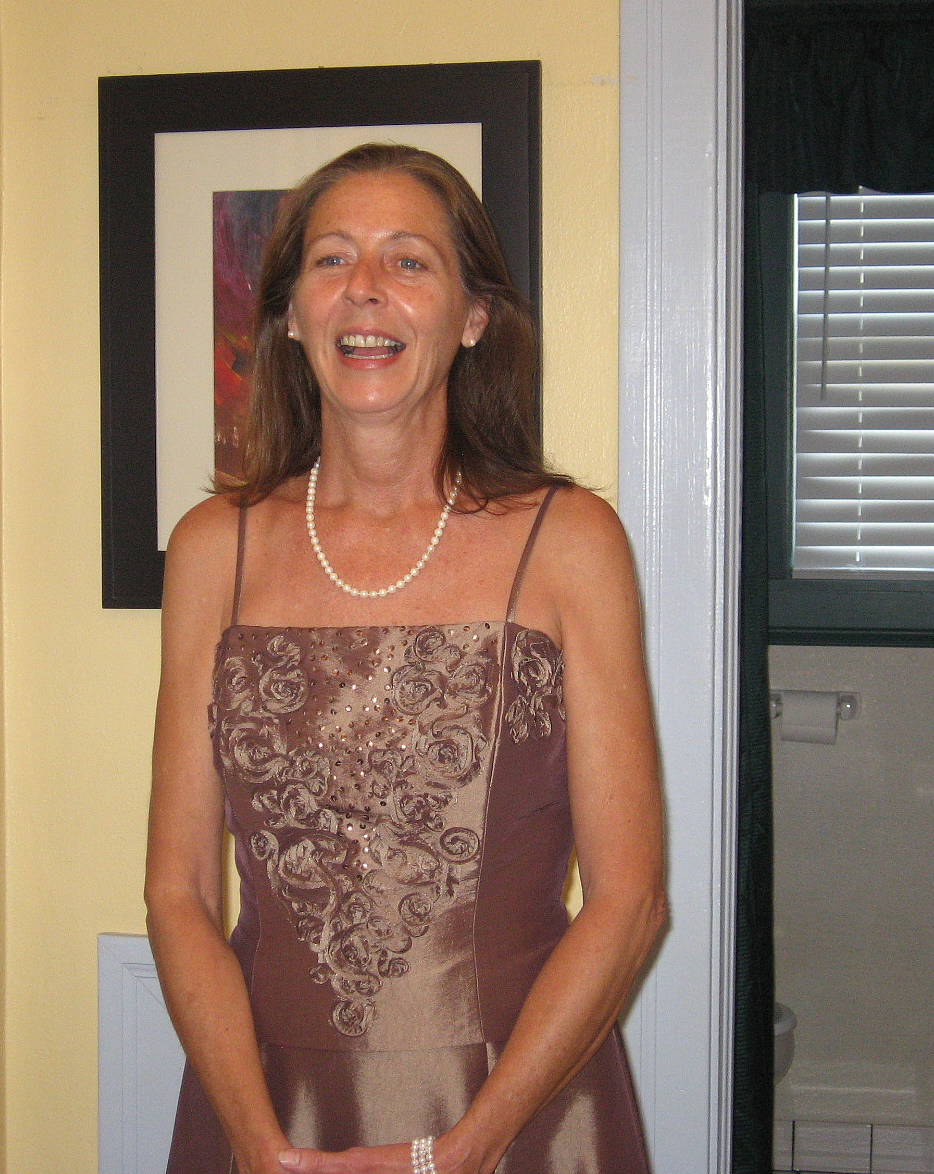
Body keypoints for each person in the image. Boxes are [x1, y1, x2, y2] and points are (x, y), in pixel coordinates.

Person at [145, 143, 666, 1174]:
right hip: (264, 1106)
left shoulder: (569, 541)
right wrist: (254, 1142)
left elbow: (628, 897)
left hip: (517, 1106)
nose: (366, 290)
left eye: (409, 261)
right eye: (332, 260)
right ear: (292, 316)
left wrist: (468, 1148)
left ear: (473, 318)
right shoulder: (213, 547)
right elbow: (179, 891)